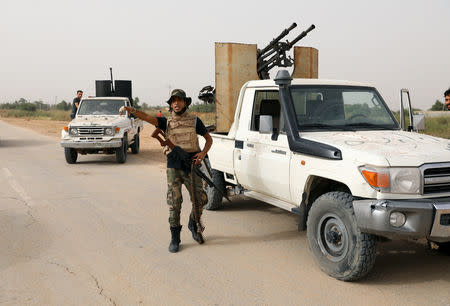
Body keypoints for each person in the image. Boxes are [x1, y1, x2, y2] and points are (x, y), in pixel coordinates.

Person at [120, 89, 213, 253]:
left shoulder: (195, 120)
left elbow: (208, 139)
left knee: (200, 199)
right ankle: (175, 238)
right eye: (173, 101)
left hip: (192, 165)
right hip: (174, 167)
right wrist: (133, 110)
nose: (176, 103)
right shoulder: (166, 122)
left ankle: (193, 223)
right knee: (174, 203)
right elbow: (148, 118)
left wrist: (202, 153)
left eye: (179, 100)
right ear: (170, 104)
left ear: (185, 102)